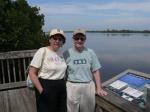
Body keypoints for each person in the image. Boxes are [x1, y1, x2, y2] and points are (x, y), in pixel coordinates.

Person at [63, 29, 107, 112]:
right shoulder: (66, 53)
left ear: (85, 39)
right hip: (71, 86)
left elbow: (96, 71)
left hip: (88, 86)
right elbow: (62, 72)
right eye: (77, 38)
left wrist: (99, 88)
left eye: (82, 38)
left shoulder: (90, 52)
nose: (79, 40)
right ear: (73, 39)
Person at [28, 28, 67, 112]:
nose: (57, 41)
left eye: (60, 39)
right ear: (50, 39)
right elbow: (32, 72)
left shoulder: (60, 53)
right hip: (46, 85)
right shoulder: (42, 51)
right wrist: (41, 90)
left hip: (61, 85)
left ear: (62, 42)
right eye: (55, 38)